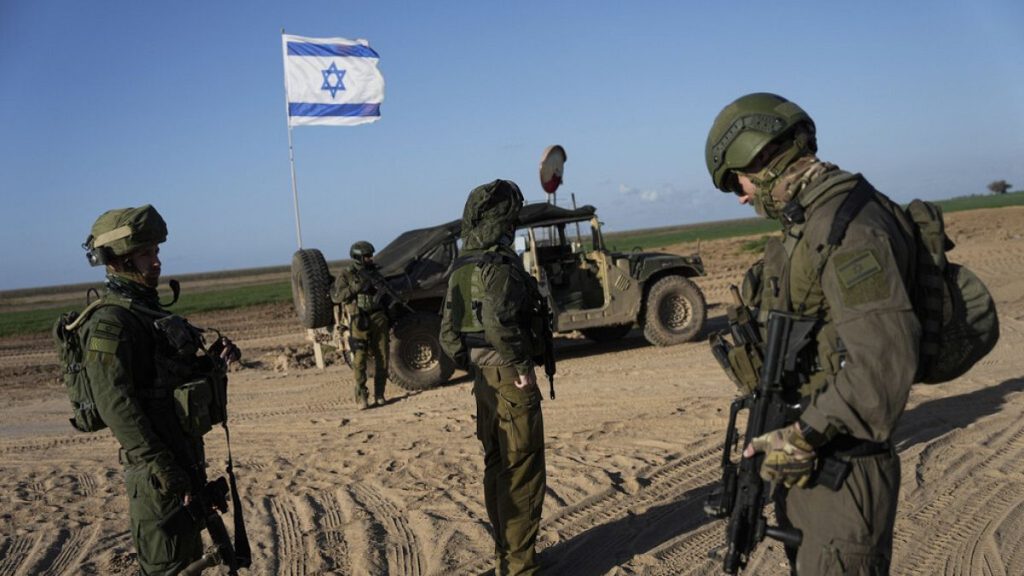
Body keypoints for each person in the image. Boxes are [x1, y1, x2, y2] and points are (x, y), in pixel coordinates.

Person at [705, 93, 920, 574]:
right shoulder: (809, 223)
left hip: (842, 471)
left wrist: (801, 436)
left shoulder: (848, 226)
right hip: (815, 466)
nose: (741, 196)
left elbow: (883, 368)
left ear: (760, 156)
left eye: (737, 180)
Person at [77, 204, 240, 575]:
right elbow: (118, 407)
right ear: (116, 260)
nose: (156, 262)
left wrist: (212, 362)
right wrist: (166, 470)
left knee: (188, 559)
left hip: (182, 458)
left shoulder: (147, 313)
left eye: (156, 252)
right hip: (157, 473)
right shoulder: (110, 322)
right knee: (168, 565)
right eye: (145, 254)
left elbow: (166, 380)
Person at [440, 179, 548, 576]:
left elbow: (448, 336)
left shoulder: (462, 267)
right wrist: (522, 368)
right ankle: (519, 566)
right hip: (508, 377)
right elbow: (500, 323)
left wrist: (476, 364)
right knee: (522, 471)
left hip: (483, 380)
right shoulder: (499, 266)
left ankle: (508, 556)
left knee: (497, 466)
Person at [331, 240, 391, 409]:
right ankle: (361, 397)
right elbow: (337, 297)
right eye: (366, 256)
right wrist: (356, 287)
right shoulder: (347, 275)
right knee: (360, 359)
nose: (370, 259)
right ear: (358, 257)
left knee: (383, 357)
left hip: (378, 317)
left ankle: (380, 394)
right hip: (359, 319)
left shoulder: (375, 271)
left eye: (371, 255)